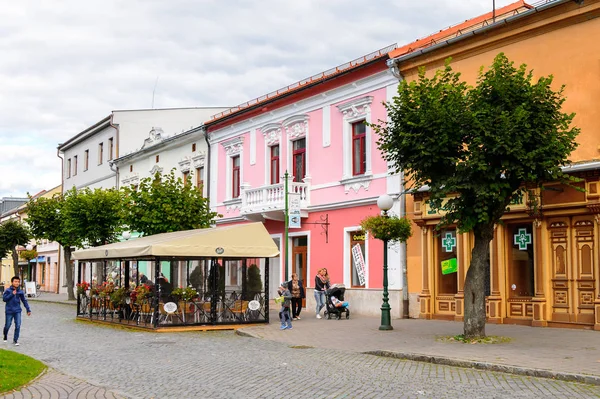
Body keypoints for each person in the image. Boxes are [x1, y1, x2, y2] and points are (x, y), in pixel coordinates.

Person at [3, 276, 31, 346]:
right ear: (12, 282)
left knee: (18, 325)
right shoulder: (8, 290)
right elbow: (4, 299)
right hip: (9, 311)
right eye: (15, 281)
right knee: (8, 325)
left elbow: (24, 301)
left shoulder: (20, 292)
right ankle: (5, 335)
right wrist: (12, 294)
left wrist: (28, 309)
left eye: (18, 282)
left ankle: (15, 340)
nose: (17, 283)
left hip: (17, 311)